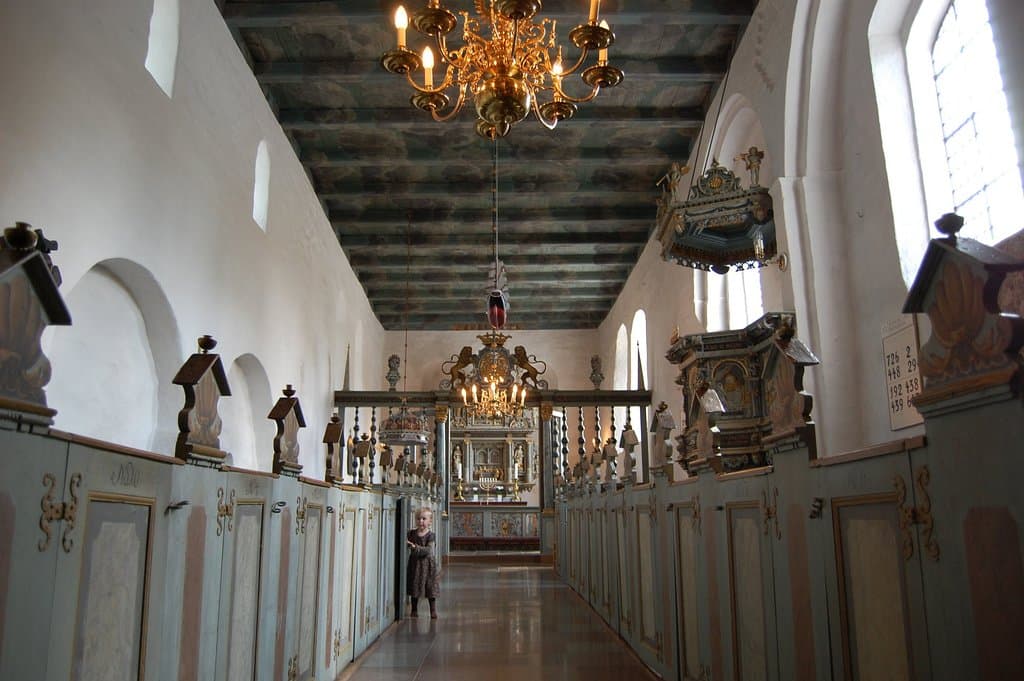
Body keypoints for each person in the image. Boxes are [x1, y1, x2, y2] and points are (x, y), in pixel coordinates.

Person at [406, 507, 440, 619]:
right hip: (415, 564)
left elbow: (428, 550)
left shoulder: (431, 535)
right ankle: (414, 609)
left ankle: (433, 610)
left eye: (424, 519)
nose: (421, 521)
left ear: (430, 521)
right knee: (414, 585)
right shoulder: (412, 533)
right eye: (418, 519)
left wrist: (415, 547)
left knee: (430, 586)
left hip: (428, 564)